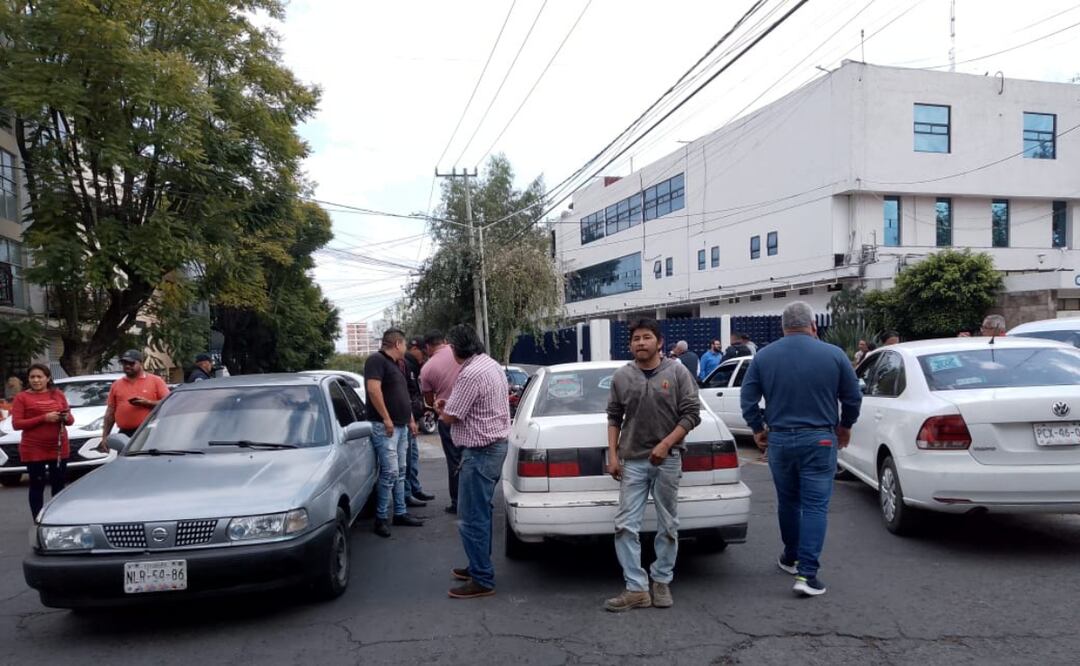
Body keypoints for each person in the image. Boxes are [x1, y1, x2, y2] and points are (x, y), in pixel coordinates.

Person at [740, 302, 862, 598]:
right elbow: (852, 397)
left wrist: (757, 429)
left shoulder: (764, 356)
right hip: (820, 439)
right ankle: (807, 574)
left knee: (788, 502)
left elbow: (747, 398)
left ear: (783, 327)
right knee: (815, 506)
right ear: (813, 325)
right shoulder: (834, 354)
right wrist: (845, 426)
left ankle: (791, 557)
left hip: (780, 440)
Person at [603, 318, 701, 612]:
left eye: (646, 337)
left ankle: (661, 580)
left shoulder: (678, 372)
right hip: (632, 461)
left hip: (667, 460)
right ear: (630, 345)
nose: (641, 343)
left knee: (668, 524)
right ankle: (636, 588)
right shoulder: (622, 376)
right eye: (636, 339)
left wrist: (666, 444)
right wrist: (613, 456)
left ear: (659, 342)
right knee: (625, 525)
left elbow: (692, 414)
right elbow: (613, 417)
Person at [434, 325, 511, 600]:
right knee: (481, 512)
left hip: (480, 452)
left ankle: (482, 577)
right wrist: (450, 407)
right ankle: (478, 566)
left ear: (456, 349)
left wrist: (442, 409)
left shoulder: (470, 373)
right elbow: (469, 406)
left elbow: (451, 416)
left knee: (471, 517)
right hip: (493, 447)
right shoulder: (489, 364)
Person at [364, 328, 424, 537]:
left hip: (401, 425)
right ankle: (380, 518)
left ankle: (400, 512)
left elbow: (403, 394)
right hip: (385, 427)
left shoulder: (398, 364)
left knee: (400, 471)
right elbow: (373, 390)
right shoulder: (376, 360)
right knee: (389, 472)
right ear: (397, 344)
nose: (405, 348)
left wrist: (411, 420)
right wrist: (386, 418)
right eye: (404, 344)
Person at [12, 364, 75, 518]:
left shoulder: (58, 394)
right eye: (32, 377)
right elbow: (17, 424)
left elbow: (70, 420)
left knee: (58, 484)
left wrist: (65, 417)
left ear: (48, 378)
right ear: (28, 379)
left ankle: (58, 519)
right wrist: (44, 418)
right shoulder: (22, 397)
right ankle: (38, 519)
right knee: (37, 485)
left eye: (39, 377)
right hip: (33, 448)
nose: (36, 380)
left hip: (58, 447)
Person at [420, 330, 463, 514]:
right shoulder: (460, 352)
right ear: (445, 341)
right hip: (469, 416)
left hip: (447, 418)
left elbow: (429, 400)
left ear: (427, 346)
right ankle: (476, 499)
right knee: (472, 458)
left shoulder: (427, 369)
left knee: (454, 461)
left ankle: (457, 502)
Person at [100, 350, 170, 449]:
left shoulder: (155, 381)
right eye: (124, 363)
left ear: (141, 363)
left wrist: (147, 403)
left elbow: (169, 403)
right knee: (124, 458)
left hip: (149, 432)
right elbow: (110, 412)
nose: (127, 366)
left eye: (131, 363)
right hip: (125, 434)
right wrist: (104, 437)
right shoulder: (116, 385)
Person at [401, 336, 434, 507]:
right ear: (414, 349)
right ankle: (407, 494)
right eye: (423, 352)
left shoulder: (415, 366)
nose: (424, 356)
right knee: (407, 460)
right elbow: (405, 395)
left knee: (413, 457)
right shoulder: (405, 364)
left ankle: (414, 488)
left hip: (413, 416)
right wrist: (411, 418)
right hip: (407, 419)